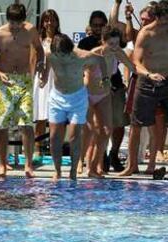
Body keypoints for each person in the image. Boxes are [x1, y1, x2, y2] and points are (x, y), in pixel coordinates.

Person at [0, 3, 45, 178]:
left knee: (26, 123)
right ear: (7, 20)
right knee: (1, 124)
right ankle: (2, 164)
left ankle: (28, 165)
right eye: (12, 23)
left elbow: (39, 49)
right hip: (5, 81)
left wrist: (40, 64)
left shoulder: (31, 31)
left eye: (18, 23)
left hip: (25, 80)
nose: (15, 27)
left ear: (24, 20)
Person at [42, 33, 108, 181]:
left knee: (73, 136)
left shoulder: (82, 56)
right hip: (57, 97)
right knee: (54, 137)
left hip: (77, 98)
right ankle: (57, 171)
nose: (61, 58)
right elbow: (47, 66)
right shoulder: (50, 55)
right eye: (57, 55)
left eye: (63, 55)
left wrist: (105, 78)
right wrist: (44, 78)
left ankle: (73, 171)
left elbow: (101, 60)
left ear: (69, 50)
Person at [119, 0, 168, 177]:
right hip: (147, 81)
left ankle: (152, 165)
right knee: (137, 124)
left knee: (158, 125)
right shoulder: (145, 33)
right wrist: (149, 74)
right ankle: (131, 165)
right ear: (159, 17)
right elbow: (136, 63)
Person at [84, 26, 135, 178]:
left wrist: (150, 74)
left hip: (104, 94)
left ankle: (97, 166)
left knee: (106, 131)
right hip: (88, 94)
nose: (114, 47)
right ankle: (87, 166)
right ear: (103, 41)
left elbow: (133, 67)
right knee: (91, 132)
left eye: (117, 43)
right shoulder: (94, 54)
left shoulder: (117, 52)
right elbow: (83, 74)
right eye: (111, 44)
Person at [32, 9, 61, 161]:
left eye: (52, 19)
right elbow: (32, 60)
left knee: (56, 117)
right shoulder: (37, 40)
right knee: (41, 115)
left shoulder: (61, 39)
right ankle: (38, 149)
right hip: (41, 78)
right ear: (42, 22)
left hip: (57, 79)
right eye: (46, 20)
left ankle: (54, 149)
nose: (49, 23)